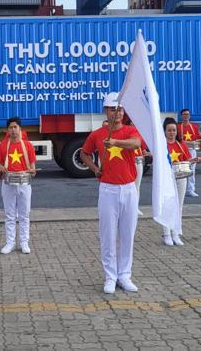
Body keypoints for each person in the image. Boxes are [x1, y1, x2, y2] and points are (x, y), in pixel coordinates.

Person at [80, 92, 142, 294]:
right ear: (107, 111)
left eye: (121, 110)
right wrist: (94, 168)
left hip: (129, 189)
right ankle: (110, 276)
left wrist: (116, 143)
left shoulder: (130, 131)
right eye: (115, 110)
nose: (119, 114)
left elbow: (136, 144)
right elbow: (84, 152)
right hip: (108, 189)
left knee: (127, 234)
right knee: (108, 235)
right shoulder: (97, 134)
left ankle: (124, 275)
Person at [0, 117, 37, 255]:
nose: (13, 130)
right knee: (10, 215)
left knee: (24, 215)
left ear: (20, 129)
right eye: (10, 127)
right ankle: (10, 243)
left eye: (15, 127)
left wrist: (32, 172)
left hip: (24, 183)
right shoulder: (2, 146)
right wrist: (1, 168)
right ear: (8, 130)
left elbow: (33, 168)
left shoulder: (28, 145)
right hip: (8, 183)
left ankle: (24, 242)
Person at [163, 117, 201, 246]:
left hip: (181, 177)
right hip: (167, 178)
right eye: (169, 130)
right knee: (167, 205)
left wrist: (195, 160)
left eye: (174, 130)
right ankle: (166, 234)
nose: (172, 133)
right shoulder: (161, 145)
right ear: (164, 131)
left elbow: (187, 160)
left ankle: (176, 233)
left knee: (178, 205)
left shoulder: (181, 145)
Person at [178, 109, 201, 197]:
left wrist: (196, 143)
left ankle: (190, 189)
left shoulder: (194, 127)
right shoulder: (178, 126)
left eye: (187, 114)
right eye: (184, 114)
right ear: (181, 116)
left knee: (192, 170)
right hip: (181, 150)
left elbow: (198, 139)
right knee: (181, 169)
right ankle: (181, 188)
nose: (186, 116)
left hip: (192, 150)